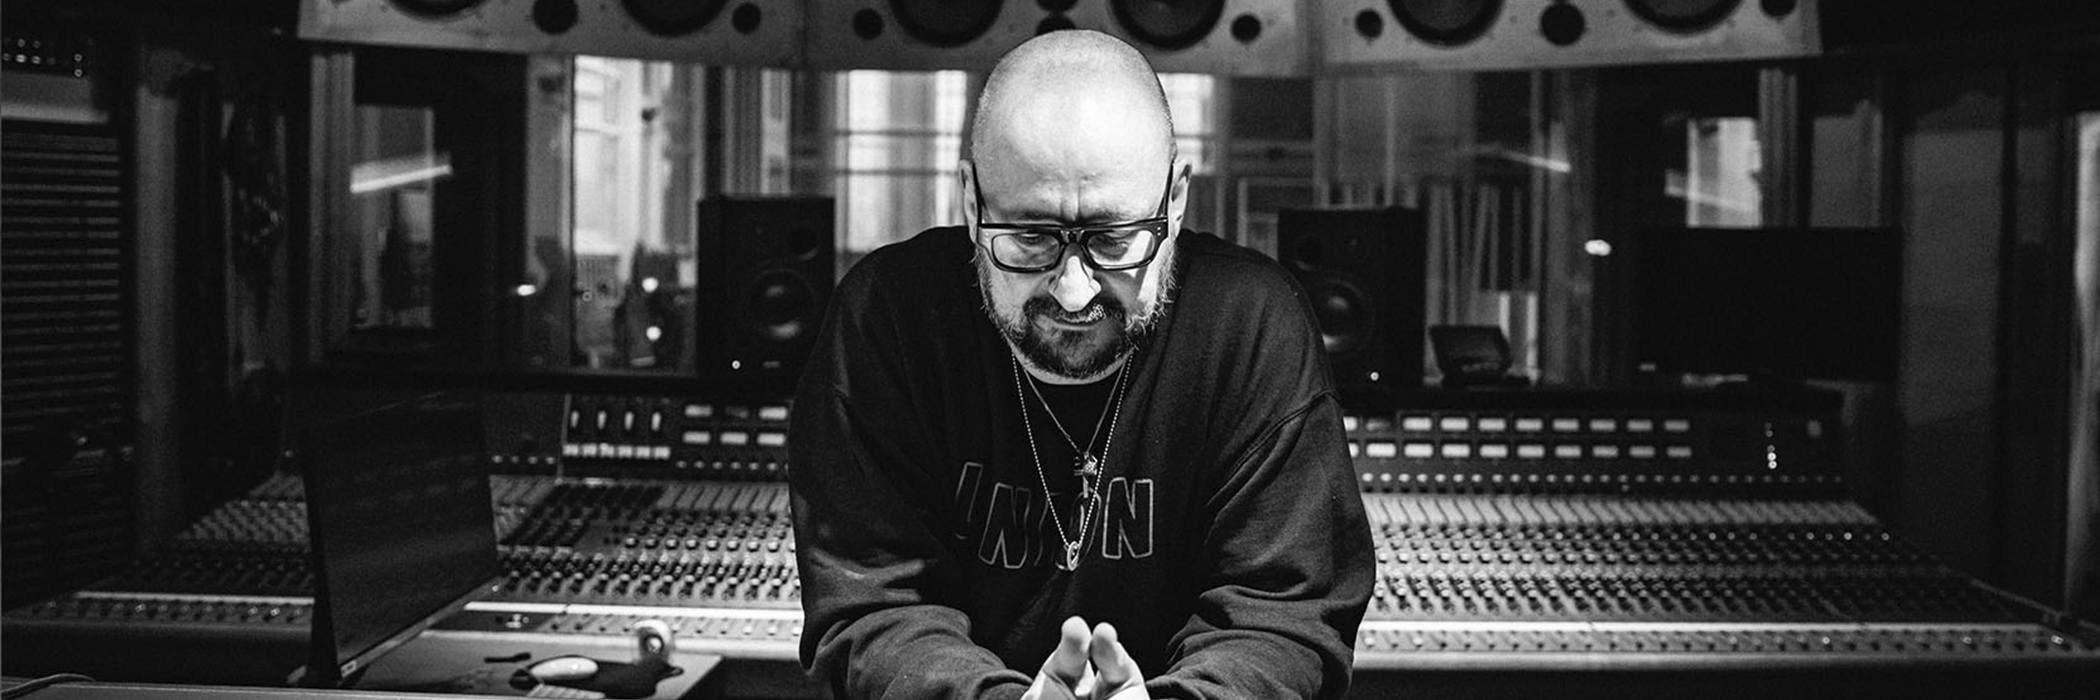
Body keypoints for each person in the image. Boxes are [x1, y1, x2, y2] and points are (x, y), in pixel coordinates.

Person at [789, 30, 1374, 700]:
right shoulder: (887, 320)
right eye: (1030, 238)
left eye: (1113, 239)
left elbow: (1283, 616)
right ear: (971, 202)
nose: (1073, 291)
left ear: (1174, 201)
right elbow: (872, 606)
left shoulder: (1251, 327)